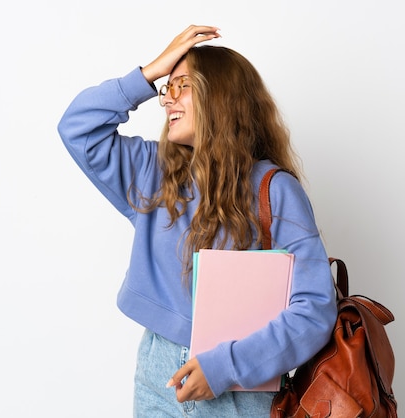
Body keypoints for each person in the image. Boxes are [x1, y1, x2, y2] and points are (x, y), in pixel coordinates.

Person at [57, 25, 337, 417]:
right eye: (165, 89)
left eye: (182, 86)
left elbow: (315, 308)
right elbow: (77, 127)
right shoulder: (152, 173)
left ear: (220, 96)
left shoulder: (274, 190)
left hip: (242, 386)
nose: (168, 99)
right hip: (158, 377)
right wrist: (150, 72)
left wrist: (226, 366)